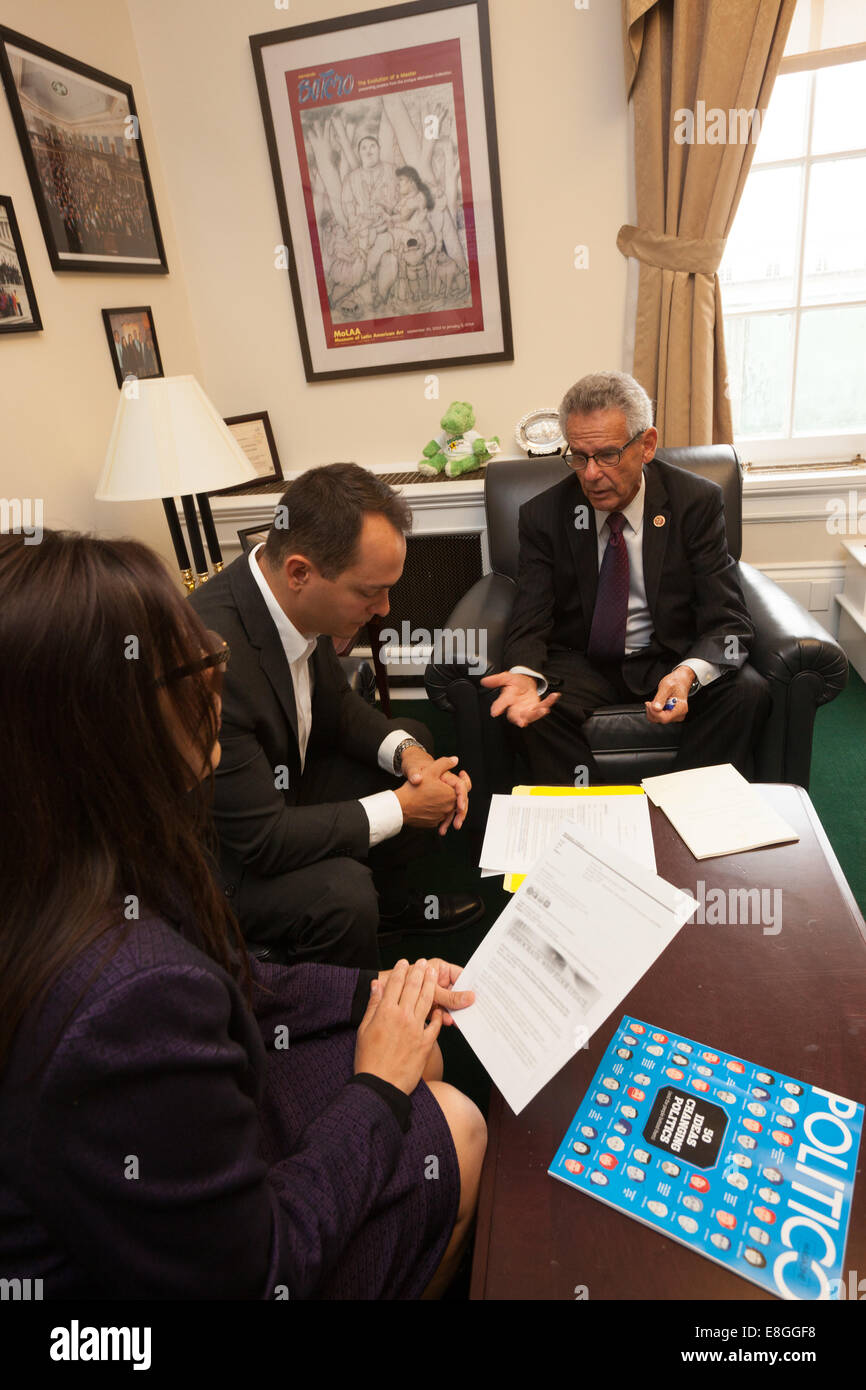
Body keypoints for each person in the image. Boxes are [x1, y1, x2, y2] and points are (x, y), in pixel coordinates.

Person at [0, 530, 486, 1299]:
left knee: (419, 1055)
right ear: (106, 719)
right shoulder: (125, 992)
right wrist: (379, 1087)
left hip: (162, 1161)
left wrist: (375, 993)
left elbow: (237, 975)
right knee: (455, 1118)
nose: (214, 666)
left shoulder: (71, 857)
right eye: (192, 659)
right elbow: (260, 1272)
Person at [189, 463, 483, 968]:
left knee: (408, 735)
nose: (386, 609)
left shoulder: (289, 595)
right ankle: (327, 1000)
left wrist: (409, 758)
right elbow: (261, 842)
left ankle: (386, 910)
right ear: (301, 571)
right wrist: (402, 808)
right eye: (370, 592)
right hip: (225, 858)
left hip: (284, 786)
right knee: (342, 893)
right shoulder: (215, 657)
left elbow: (336, 705)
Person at [482, 371, 770, 783]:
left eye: (608, 455)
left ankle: (682, 807)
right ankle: (595, 815)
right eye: (579, 457)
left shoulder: (696, 503)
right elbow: (530, 616)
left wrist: (687, 673)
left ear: (647, 445)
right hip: (582, 662)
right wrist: (525, 676)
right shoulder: (543, 515)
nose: (591, 474)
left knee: (746, 693)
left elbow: (728, 620)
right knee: (525, 710)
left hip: (667, 655)